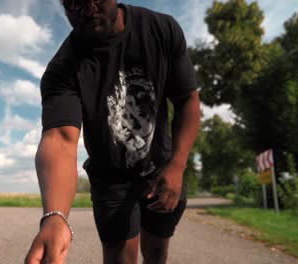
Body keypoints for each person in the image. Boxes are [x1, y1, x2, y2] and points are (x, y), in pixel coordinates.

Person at [25, 0, 200, 263]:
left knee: (156, 250)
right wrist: (55, 216)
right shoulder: (62, 70)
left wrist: (177, 165)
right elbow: (60, 139)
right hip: (111, 179)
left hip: (161, 169)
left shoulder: (161, 29)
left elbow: (187, 99)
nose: (88, 9)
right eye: (74, 3)